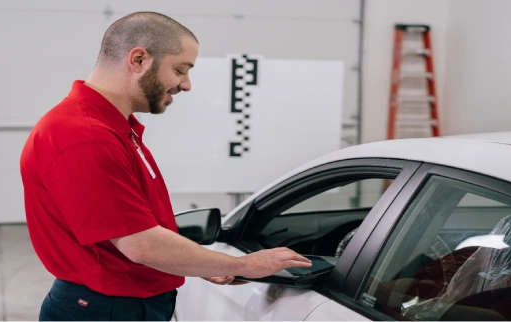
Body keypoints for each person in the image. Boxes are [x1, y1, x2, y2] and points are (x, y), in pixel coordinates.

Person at [19, 12, 311, 321]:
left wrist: (200, 264)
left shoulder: (115, 128)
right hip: (106, 310)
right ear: (139, 59)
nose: (186, 85)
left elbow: (141, 227)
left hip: (120, 303)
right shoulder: (85, 137)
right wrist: (245, 265)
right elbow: (142, 245)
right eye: (180, 70)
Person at [364, 208, 511, 321]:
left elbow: (491, 321)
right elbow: (414, 282)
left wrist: (398, 301)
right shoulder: (472, 253)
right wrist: (377, 292)